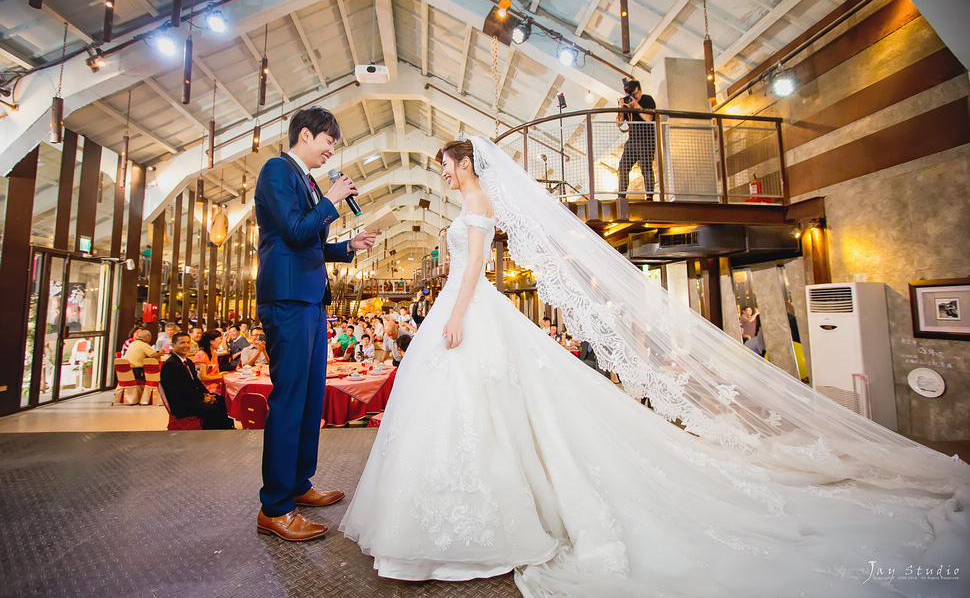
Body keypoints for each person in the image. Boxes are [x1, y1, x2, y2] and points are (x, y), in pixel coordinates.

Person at [340, 136, 970, 596]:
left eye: (448, 165)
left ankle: (489, 517)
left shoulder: (477, 204)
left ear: (465, 163)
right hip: (460, 305)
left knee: (480, 403)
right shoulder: (467, 202)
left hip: (468, 307)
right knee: (469, 407)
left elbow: (473, 267)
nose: (444, 174)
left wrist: (456, 314)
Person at [254, 106, 378, 542]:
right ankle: (275, 506)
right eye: (329, 141)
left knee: (309, 399)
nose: (331, 151)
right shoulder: (276, 171)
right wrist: (331, 202)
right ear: (305, 135)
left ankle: (299, 485)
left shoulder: (304, 181)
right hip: (286, 299)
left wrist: (346, 246)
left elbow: (307, 242)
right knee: (289, 400)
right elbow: (291, 230)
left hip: (307, 298)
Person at [159, 332, 234, 430]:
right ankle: (212, 433)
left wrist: (207, 394)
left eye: (188, 343)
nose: (186, 346)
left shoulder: (188, 362)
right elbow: (181, 390)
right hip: (182, 403)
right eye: (182, 343)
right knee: (213, 410)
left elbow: (197, 382)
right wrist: (202, 398)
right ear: (173, 345)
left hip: (192, 398)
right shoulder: (170, 365)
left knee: (222, 401)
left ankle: (227, 430)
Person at [615, 79, 657, 199]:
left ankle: (649, 196)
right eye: (631, 95)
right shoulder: (627, 103)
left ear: (640, 90)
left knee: (646, 167)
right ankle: (621, 196)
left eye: (635, 94)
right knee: (623, 166)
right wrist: (622, 108)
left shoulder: (647, 100)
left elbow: (649, 118)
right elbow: (619, 123)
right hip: (632, 140)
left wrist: (636, 106)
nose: (634, 97)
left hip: (646, 140)